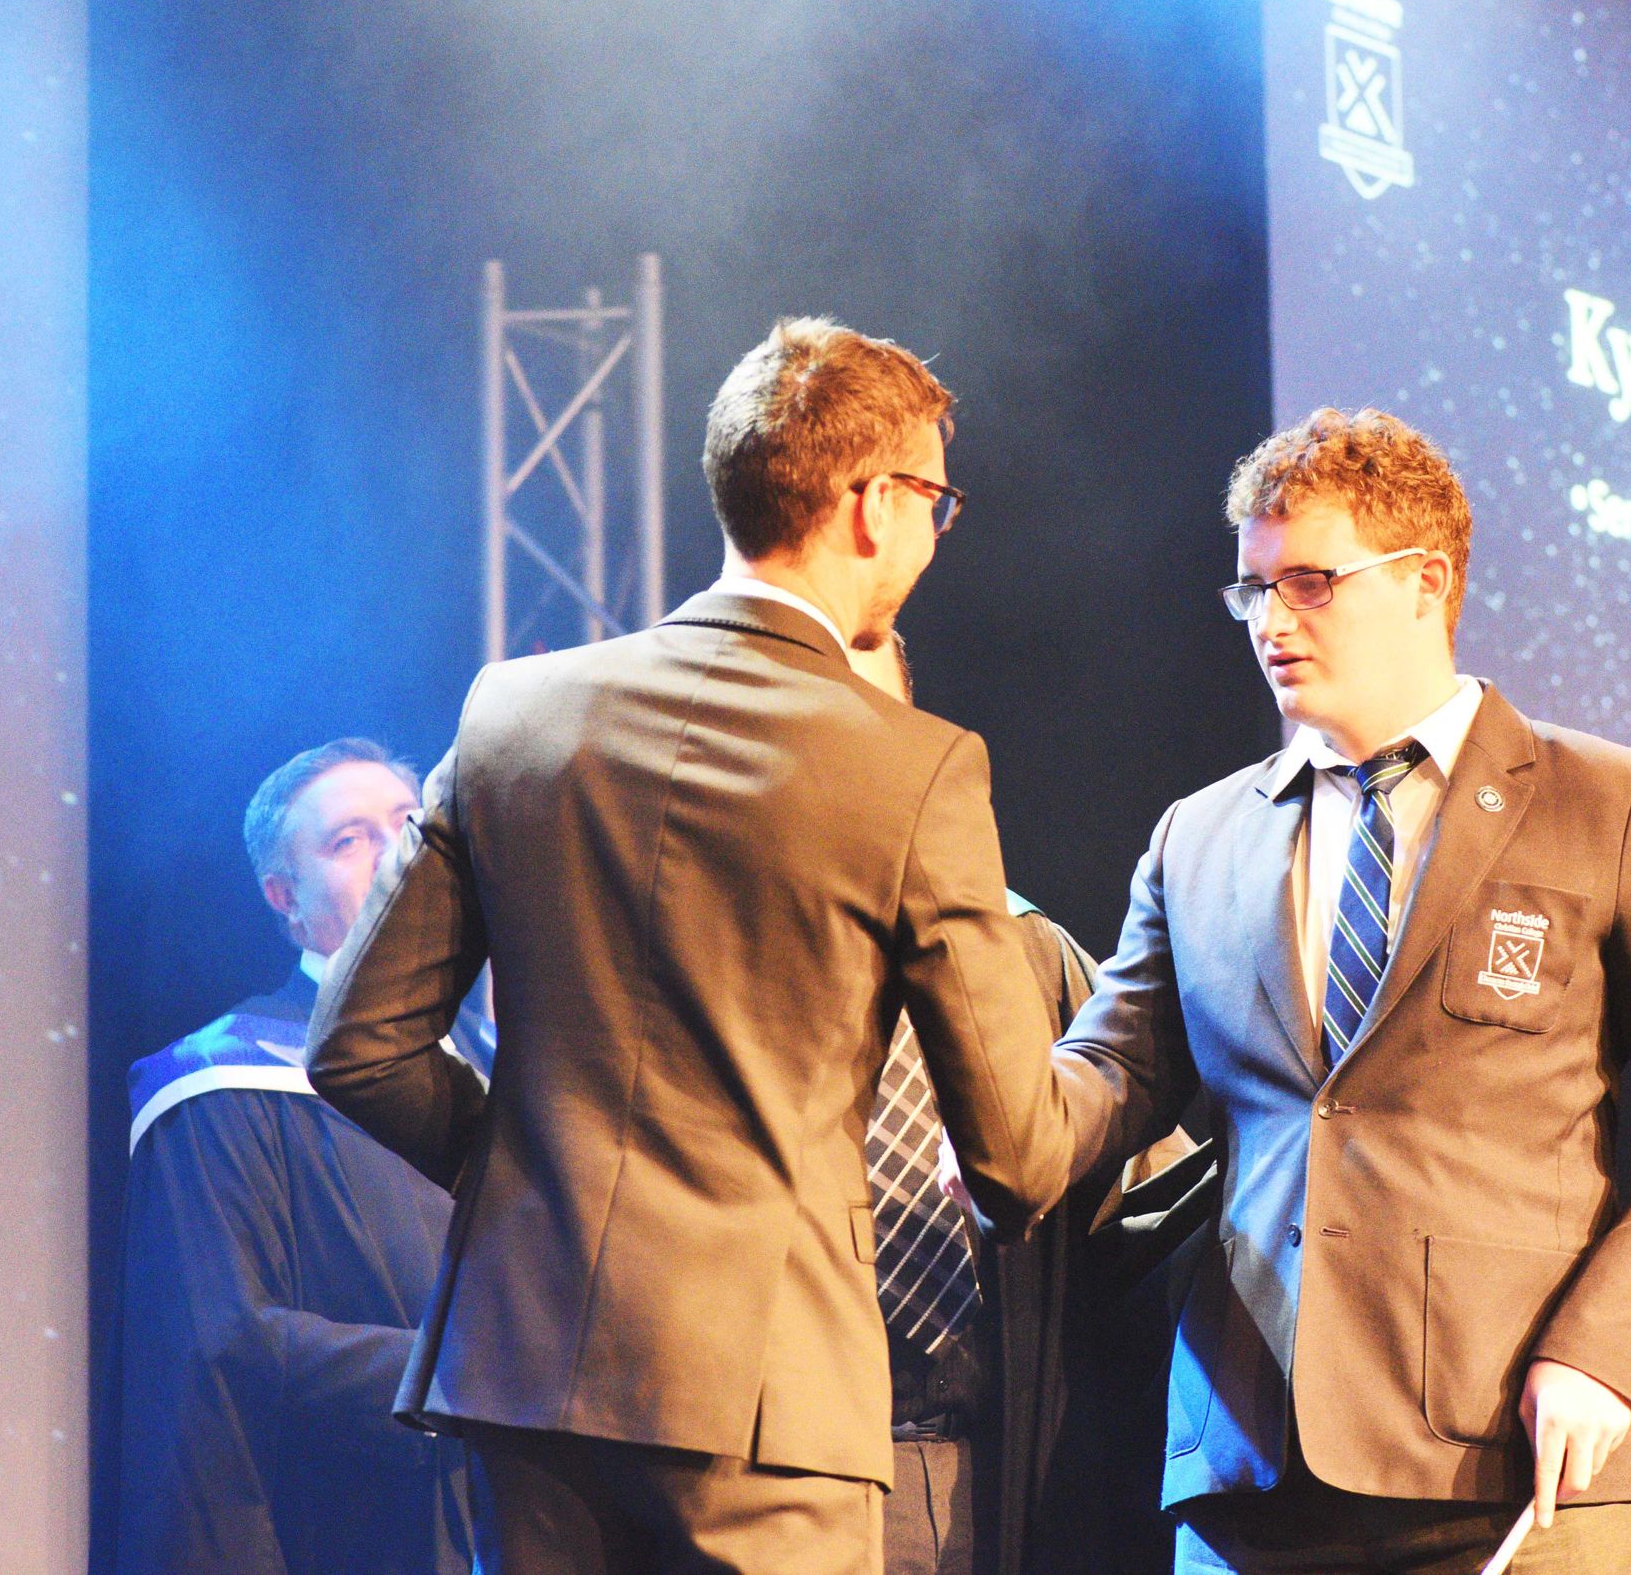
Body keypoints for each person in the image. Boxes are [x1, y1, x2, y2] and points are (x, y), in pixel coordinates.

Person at [307, 318, 1072, 1575]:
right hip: (768, 1402)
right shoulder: (914, 765)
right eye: (936, 500)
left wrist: (525, 1181)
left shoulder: (513, 714)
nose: (936, 532)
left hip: (525, 1369)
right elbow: (1017, 1158)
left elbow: (358, 1048)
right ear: (870, 505)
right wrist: (1124, 1054)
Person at [1051, 408, 1631, 1573]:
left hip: (1515, 1462)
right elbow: (1108, 1074)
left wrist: (1603, 1348)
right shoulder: (1198, 836)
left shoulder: (1606, 802)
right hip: (1251, 1470)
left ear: (1424, 581)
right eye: (1253, 590)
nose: (1271, 621)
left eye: (1309, 583)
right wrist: (993, 1116)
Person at [846, 634, 1198, 1575]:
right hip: (781, 1461)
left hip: (986, 1470)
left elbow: (1150, 1202)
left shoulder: (1025, 950)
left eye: (870, 723)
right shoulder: (706, 944)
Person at [118, 738, 490, 1575]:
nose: (396, 852)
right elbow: (228, 1340)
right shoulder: (222, 1079)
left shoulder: (509, 1070)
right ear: (285, 897)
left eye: (410, 824)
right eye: (349, 839)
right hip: (335, 1531)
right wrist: (468, 1376)